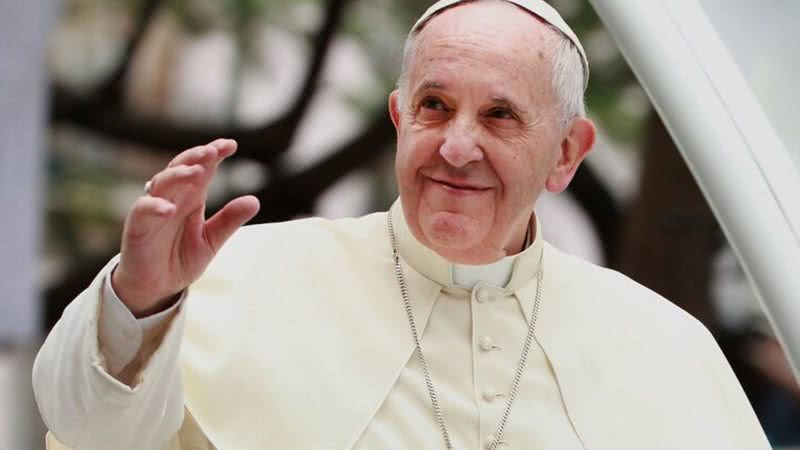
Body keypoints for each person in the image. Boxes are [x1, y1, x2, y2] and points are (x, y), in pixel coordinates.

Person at [33, 0, 771, 449]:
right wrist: (139, 303)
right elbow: (93, 436)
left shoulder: (666, 346)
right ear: (398, 119)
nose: (457, 146)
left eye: (500, 116)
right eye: (435, 106)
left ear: (567, 153)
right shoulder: (233, 279)